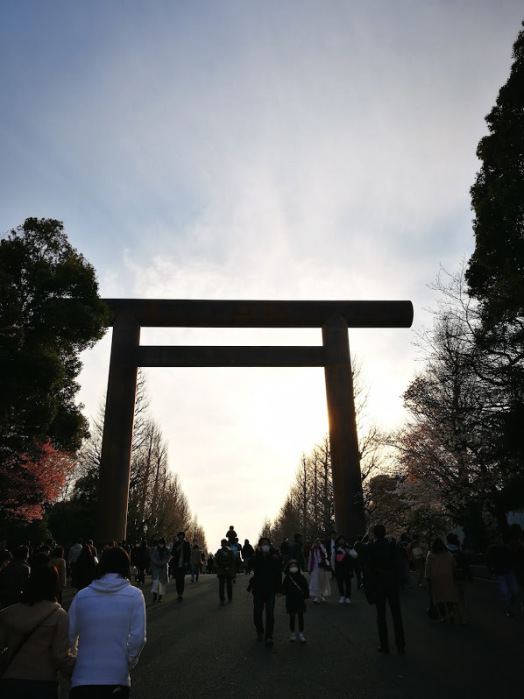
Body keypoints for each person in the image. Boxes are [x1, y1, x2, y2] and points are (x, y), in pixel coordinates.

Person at [68, 546, 146, 698]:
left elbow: (69, 636)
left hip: (82, 678)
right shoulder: (135, 596)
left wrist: (77, 659)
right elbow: (138, 639)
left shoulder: (82, 596)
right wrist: (127, 663)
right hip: (116, 678)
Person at [0, 561, 75, 698]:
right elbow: (61, 657)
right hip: (43, 682)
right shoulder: (59, 616)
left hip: (11, 680)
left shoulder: (9, 613)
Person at [363, 524, 406, 655]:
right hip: (392, 582)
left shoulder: (371, 547)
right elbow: (400, 563)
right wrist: (401, 580)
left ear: (374, 534)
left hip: (378, 584)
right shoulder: (392, 546)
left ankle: (384, 645)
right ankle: (400, 645)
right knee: (396, 614)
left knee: (381, 615)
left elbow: (366, 564)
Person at [248, 537, 282, 646]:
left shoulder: (274, 558)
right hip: (258, 589)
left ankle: (269, 636)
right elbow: (249, 566)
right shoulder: (256, 558)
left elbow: (278, 574)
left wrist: (279, 589)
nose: (265, 546)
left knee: (270, 613)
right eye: (263, 544)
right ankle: (260, 630)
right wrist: (257, 555)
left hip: (271, 590)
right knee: (257, 612)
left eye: (267, 544)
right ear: (260, 546)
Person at [425, 537, 459, 623]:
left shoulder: (430, 555)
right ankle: (451, 612)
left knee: (439, 597)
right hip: (448, 576)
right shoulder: (448, 554)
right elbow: (454, 565)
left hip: (436, 577)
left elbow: (428, 567)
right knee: (448, 596)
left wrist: (427, 576)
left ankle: (443, 616)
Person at [486, 536, 520, 618]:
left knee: (514, 591)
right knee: (506, 593)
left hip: (509, 572)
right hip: (501, 574)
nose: (499, 542)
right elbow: (488, 561)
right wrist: (492, 572)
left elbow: (514, 559)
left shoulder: (506, 549)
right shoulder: (492, 550)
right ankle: (510, 610)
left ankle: (510, 606)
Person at [281, 558, 309, 642]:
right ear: (288, 567)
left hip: (300, 599)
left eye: (295, 565)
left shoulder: (302, 577)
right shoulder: (287, 578)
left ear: (298, 567)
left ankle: (301, 633)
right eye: (291, 566)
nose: (293, 567)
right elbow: (283, 588)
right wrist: (281, 592)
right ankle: (292, 633)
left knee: (301, 617)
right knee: (292, 617)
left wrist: (306, 597)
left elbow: (305, 588)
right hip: (291, 599)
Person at [446, 533, 471, 623]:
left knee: (452, 596)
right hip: (462, 577)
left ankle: (458, 615)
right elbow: (466, 565)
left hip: (451, 577)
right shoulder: (460, 552)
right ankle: (462, 614)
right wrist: (469, 576)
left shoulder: (446, 552)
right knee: (461, 597)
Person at [331, 535, 358, 604]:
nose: (342, 541)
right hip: (339, 568)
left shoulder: (349, 547)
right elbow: (333, 558)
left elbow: (355, 555)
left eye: (343, 539)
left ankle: (348, 597)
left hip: (347, 568)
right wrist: (333, 568)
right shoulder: (336, 548)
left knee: (348, 583)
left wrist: (348, 551)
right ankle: (342, 596)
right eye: (340, 539)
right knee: (340, 583)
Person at [308, 538, 331, 603]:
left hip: (322, 568)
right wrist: (309, 569)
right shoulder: (312, 551)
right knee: (315, 582)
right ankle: (316, 596)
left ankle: (321, 595)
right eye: (316, 542)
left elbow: (325, 552)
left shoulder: (322, 550)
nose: (317, 544)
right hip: (315, 568)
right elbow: (310, 560)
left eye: (319, 542)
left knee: (322, 582)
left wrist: (321, 545)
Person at [169, 532, 191, 602]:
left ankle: (181, 593)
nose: (181, 539)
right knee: (177, 580)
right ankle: (178, 593)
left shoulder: (187, 544)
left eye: (182, 537)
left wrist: (187, 562)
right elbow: (172, 553)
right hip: (176, 564)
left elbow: (189, 553)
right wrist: (177, 549)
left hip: (183, 564)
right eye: (180, 537)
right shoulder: (176, 544)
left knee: (182, 579)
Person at [215, 540, 236, 605]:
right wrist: (230, 568)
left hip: (221, 571)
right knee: (229, 585)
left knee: (221, 586)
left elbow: (216, 560)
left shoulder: (219, 551)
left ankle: (222, 599)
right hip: (229, 571)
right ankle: (230, 597)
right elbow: (233, 561)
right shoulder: (231, 551)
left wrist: (218, 568)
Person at [150, 538, 171, 603]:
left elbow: (168, 558)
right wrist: (157, 563)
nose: (161, 545)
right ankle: (155, 596)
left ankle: (160, 597)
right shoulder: (155, 549)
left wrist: (162, 563)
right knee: (155, 583)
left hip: (163, 568)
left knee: (162, 583)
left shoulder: (167, 550)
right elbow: (153, 558)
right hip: (156, 567)